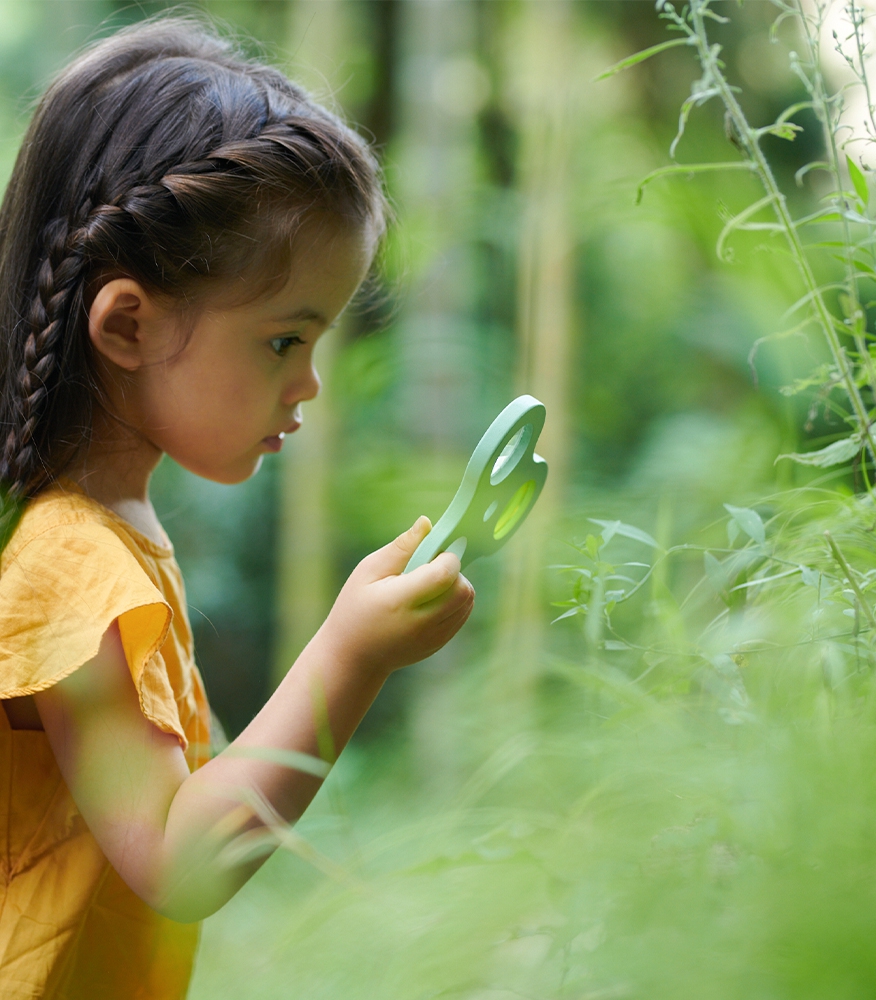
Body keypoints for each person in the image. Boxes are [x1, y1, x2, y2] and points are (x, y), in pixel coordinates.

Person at [0, 16, 474, 998]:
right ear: (127, 322)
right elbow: (180, 860)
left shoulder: (106, 537)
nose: (307, 385)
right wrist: (352, 654)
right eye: (281, 342)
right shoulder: (66, 562)